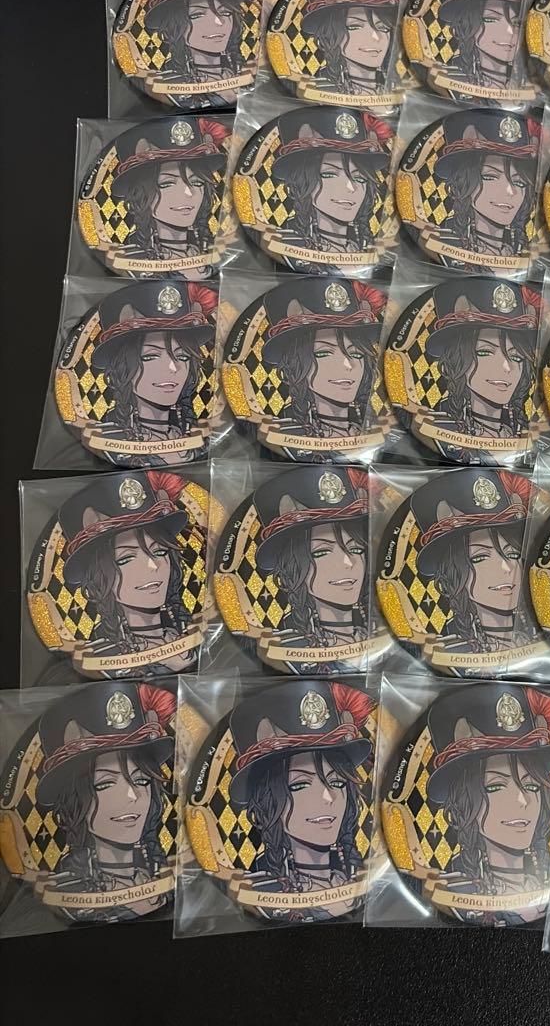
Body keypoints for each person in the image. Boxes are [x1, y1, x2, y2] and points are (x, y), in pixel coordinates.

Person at [227, 681, 374, 922]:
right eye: (300, 785)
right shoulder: (260, 889)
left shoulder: (363, 875)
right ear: (267, 799)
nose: (329, 797)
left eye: (338, 782)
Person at [34, 682, 175, 922]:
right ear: (74, 800)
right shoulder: (69, 890)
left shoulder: (164, 875)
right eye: (105, 784)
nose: (132, 796)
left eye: (141, 780)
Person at [423, 683, 550, 924]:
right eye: (496, 786)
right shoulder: (455, 889)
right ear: (465, 801)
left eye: (532, 786)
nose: (523, 800)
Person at [57, 471, 196, 675]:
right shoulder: (101, 655)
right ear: (99, 576)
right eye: (126, 559)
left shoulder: (191, 628)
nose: (153, 566)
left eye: (160, 551)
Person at [80, 282, 215, 465]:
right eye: (151, 356)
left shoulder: (197, 433)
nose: (173, 368)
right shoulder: (108, 436)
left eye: (182, 357)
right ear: (123, 366)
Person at [409, 470, 539, 657]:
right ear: (453, 572)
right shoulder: (448, 648)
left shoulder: (541, 635)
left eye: (513, 554)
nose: (507, 568)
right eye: (480, 557)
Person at [253, 467, 373, 665]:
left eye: (356, 549)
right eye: (321, 552)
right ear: (294, 567)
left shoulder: (379, 633)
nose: (348, 562)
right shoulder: (288, 646)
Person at [257, 277, 384, 452]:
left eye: (356, 354)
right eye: (323, 353)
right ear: (296, 363)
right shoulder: (285, 431)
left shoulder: (376, 427)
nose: (348, 365)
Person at [416, 280, 537, 456]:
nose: (507, 367)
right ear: (457, 360)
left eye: (516, 357)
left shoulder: (527, 432)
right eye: (485, 352)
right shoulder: (436, 428)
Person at [108, 117, 227, 278]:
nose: (189, 193)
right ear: (140, 194)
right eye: (167, 184)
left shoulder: (217, 253)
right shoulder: (130, 260)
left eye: (197, 183)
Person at [272, 109, 392, 257]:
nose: (351, 188)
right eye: (329, 174)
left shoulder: (372, 248)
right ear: (302, 181)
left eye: (360, 178)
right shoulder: (286, 243)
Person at [142, 0, 253, 107]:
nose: (219, 22)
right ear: (174, 25)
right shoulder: (166, 86)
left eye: (226, 12)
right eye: (197, 15)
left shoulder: (245, 71)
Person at [430, 111, 537, 262]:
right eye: (490, 177)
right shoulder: (443, 243)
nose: (510, 191)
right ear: (464, 182)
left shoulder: (528, 251)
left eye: (520, 183)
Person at [297, 0, 398, 98]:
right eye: (355, 26)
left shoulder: (399, 85)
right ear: (331, 33)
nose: (376, 37)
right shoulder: (316, 87)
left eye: (383, 28)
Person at [433, 0, 525, 93]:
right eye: (491, 19)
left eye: (517, 23)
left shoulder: (527, 81)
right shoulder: (450, 78)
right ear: (464, 25)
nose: (510, 31)